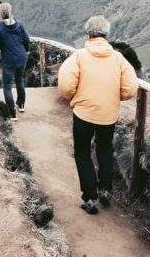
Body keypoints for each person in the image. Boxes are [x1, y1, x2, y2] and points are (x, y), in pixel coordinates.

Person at [57, 15, 138, 215]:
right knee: (104, 150)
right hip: (108, 115)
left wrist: (74, 97)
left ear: (88, 34)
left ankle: (90, 197)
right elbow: (130, 88)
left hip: (83, 113)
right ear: (106, 35)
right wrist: (113, 96)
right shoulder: (118, 58)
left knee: (82, 152)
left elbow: (66, 86)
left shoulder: (79, 56)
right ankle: (105, 191)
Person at [0, 2, 30, 121]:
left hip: (9, 60)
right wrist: (26, 51)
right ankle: (21, 105)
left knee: (7, 86)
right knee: (19, 80)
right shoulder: (19, 24)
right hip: (22, 57)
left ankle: (12, 113)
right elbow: (26, 40)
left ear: (0, 14)